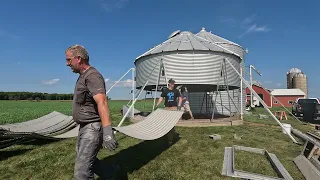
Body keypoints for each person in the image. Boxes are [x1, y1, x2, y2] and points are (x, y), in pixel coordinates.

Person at [65, 44, 118, 180]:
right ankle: (112, 174)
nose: (67, 64)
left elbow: (102, 102)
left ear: (78, 59)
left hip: (92, 128)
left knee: (81, 172)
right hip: (85, 127)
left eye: (69, 60)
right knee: (89, 161)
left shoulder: (92, 76)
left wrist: (107, 132)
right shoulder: (83, 76)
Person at [156, 78, 182, 144]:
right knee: (166, 122)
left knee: (172, 123)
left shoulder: (176, 91)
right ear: (169, 83)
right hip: (167, 108)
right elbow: (161, 97)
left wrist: (179, 106)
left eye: (174, 83)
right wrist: (157, 104)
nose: (173, 84)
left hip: (174, 108)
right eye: (172, 83)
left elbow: (180, 98)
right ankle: (171, 134)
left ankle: (170, 140)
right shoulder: (165, 90)